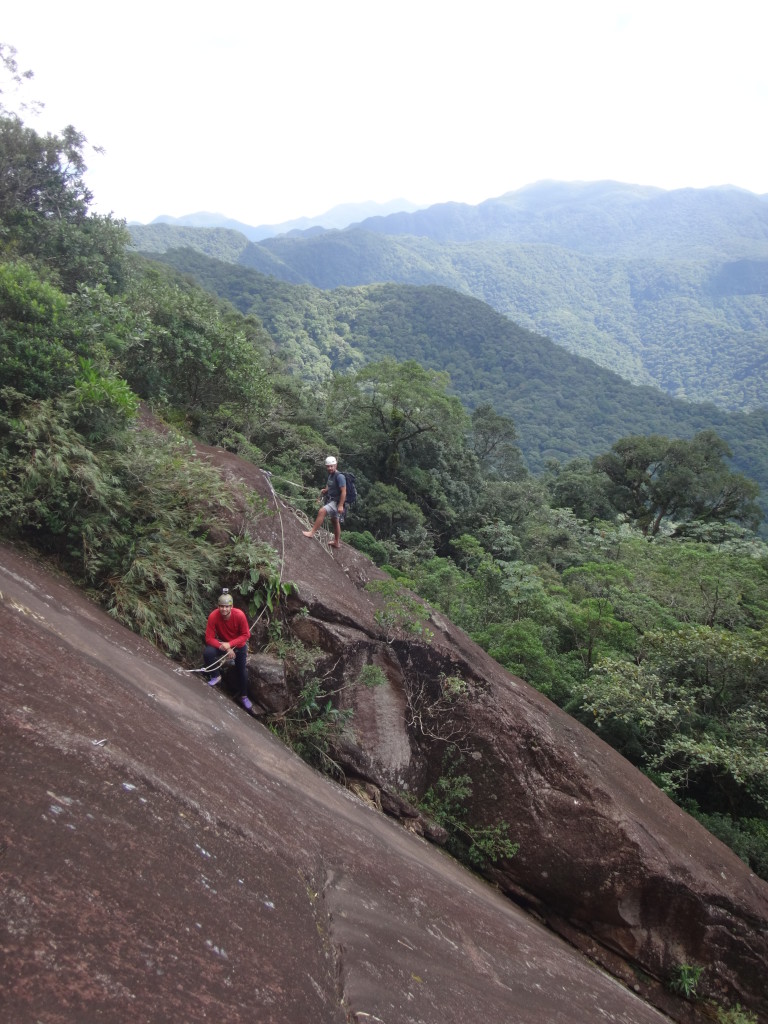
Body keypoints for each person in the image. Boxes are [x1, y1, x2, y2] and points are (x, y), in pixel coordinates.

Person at [204, 589, 254, 712]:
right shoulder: (213, 616)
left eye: (227, 606)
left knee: (241, 670)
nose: (224, 609)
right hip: (224, 645)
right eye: (221, 606)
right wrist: (226, 648)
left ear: (231, 606)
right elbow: (209, 638)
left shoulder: (239, 615)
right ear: (218, 606)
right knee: (208, 653)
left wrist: (230, 645)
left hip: (239, 646)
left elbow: (246, 635)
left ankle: (244, 696)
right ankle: (216, 676)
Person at [303, 455, 346, 548]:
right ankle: (336, 542)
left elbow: (344, 491)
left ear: (336, 465)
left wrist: (341, 505)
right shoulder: (331, 475)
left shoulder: (340, 476)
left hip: (336, 502)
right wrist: (326, 490)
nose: (330, 468)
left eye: (331, 466)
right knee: (334, 521)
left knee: (322, 511)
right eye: (328, 466)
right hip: (332, 500)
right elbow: (329, 485)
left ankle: (312, 533)